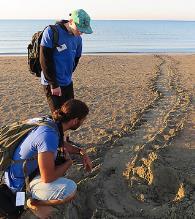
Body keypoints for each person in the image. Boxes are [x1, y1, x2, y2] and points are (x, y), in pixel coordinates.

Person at [4, 99, 92, 217]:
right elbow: (48, 178)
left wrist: (81, 152)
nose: (83, 122)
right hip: (20, 183)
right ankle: (31, 201)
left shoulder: (50, 122)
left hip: (17, 171)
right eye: (83, 120)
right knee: (70, 190)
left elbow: (60, 142)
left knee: (59, 158)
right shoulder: (48, 135)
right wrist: (68, 163)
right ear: (75, 121)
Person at [40, 9, 93, 113]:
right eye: (80, 29)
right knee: (59, 117)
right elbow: (44, 60)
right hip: (51, 83)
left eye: (83, 30)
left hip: (67, 82)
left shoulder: (78, 39)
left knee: (70, 114)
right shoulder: (51, 31)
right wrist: (54, 84)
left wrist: (67, 74)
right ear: (71, 21)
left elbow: (76, 58)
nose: (81, 32)